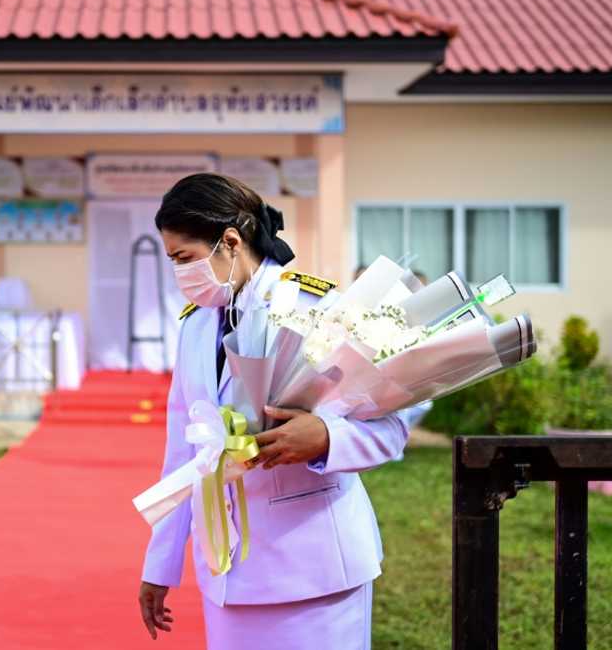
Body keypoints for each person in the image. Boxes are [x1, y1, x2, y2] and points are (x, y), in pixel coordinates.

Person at [138, 173, 413, 649]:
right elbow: (184, 452)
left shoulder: (316, 308)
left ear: (230, 241)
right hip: (228, 570)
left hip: (313, 569)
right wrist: (161, 564)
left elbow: (393, 425)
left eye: (184, 258)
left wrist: (327, 437)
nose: (180, 274)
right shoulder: (197, 326)